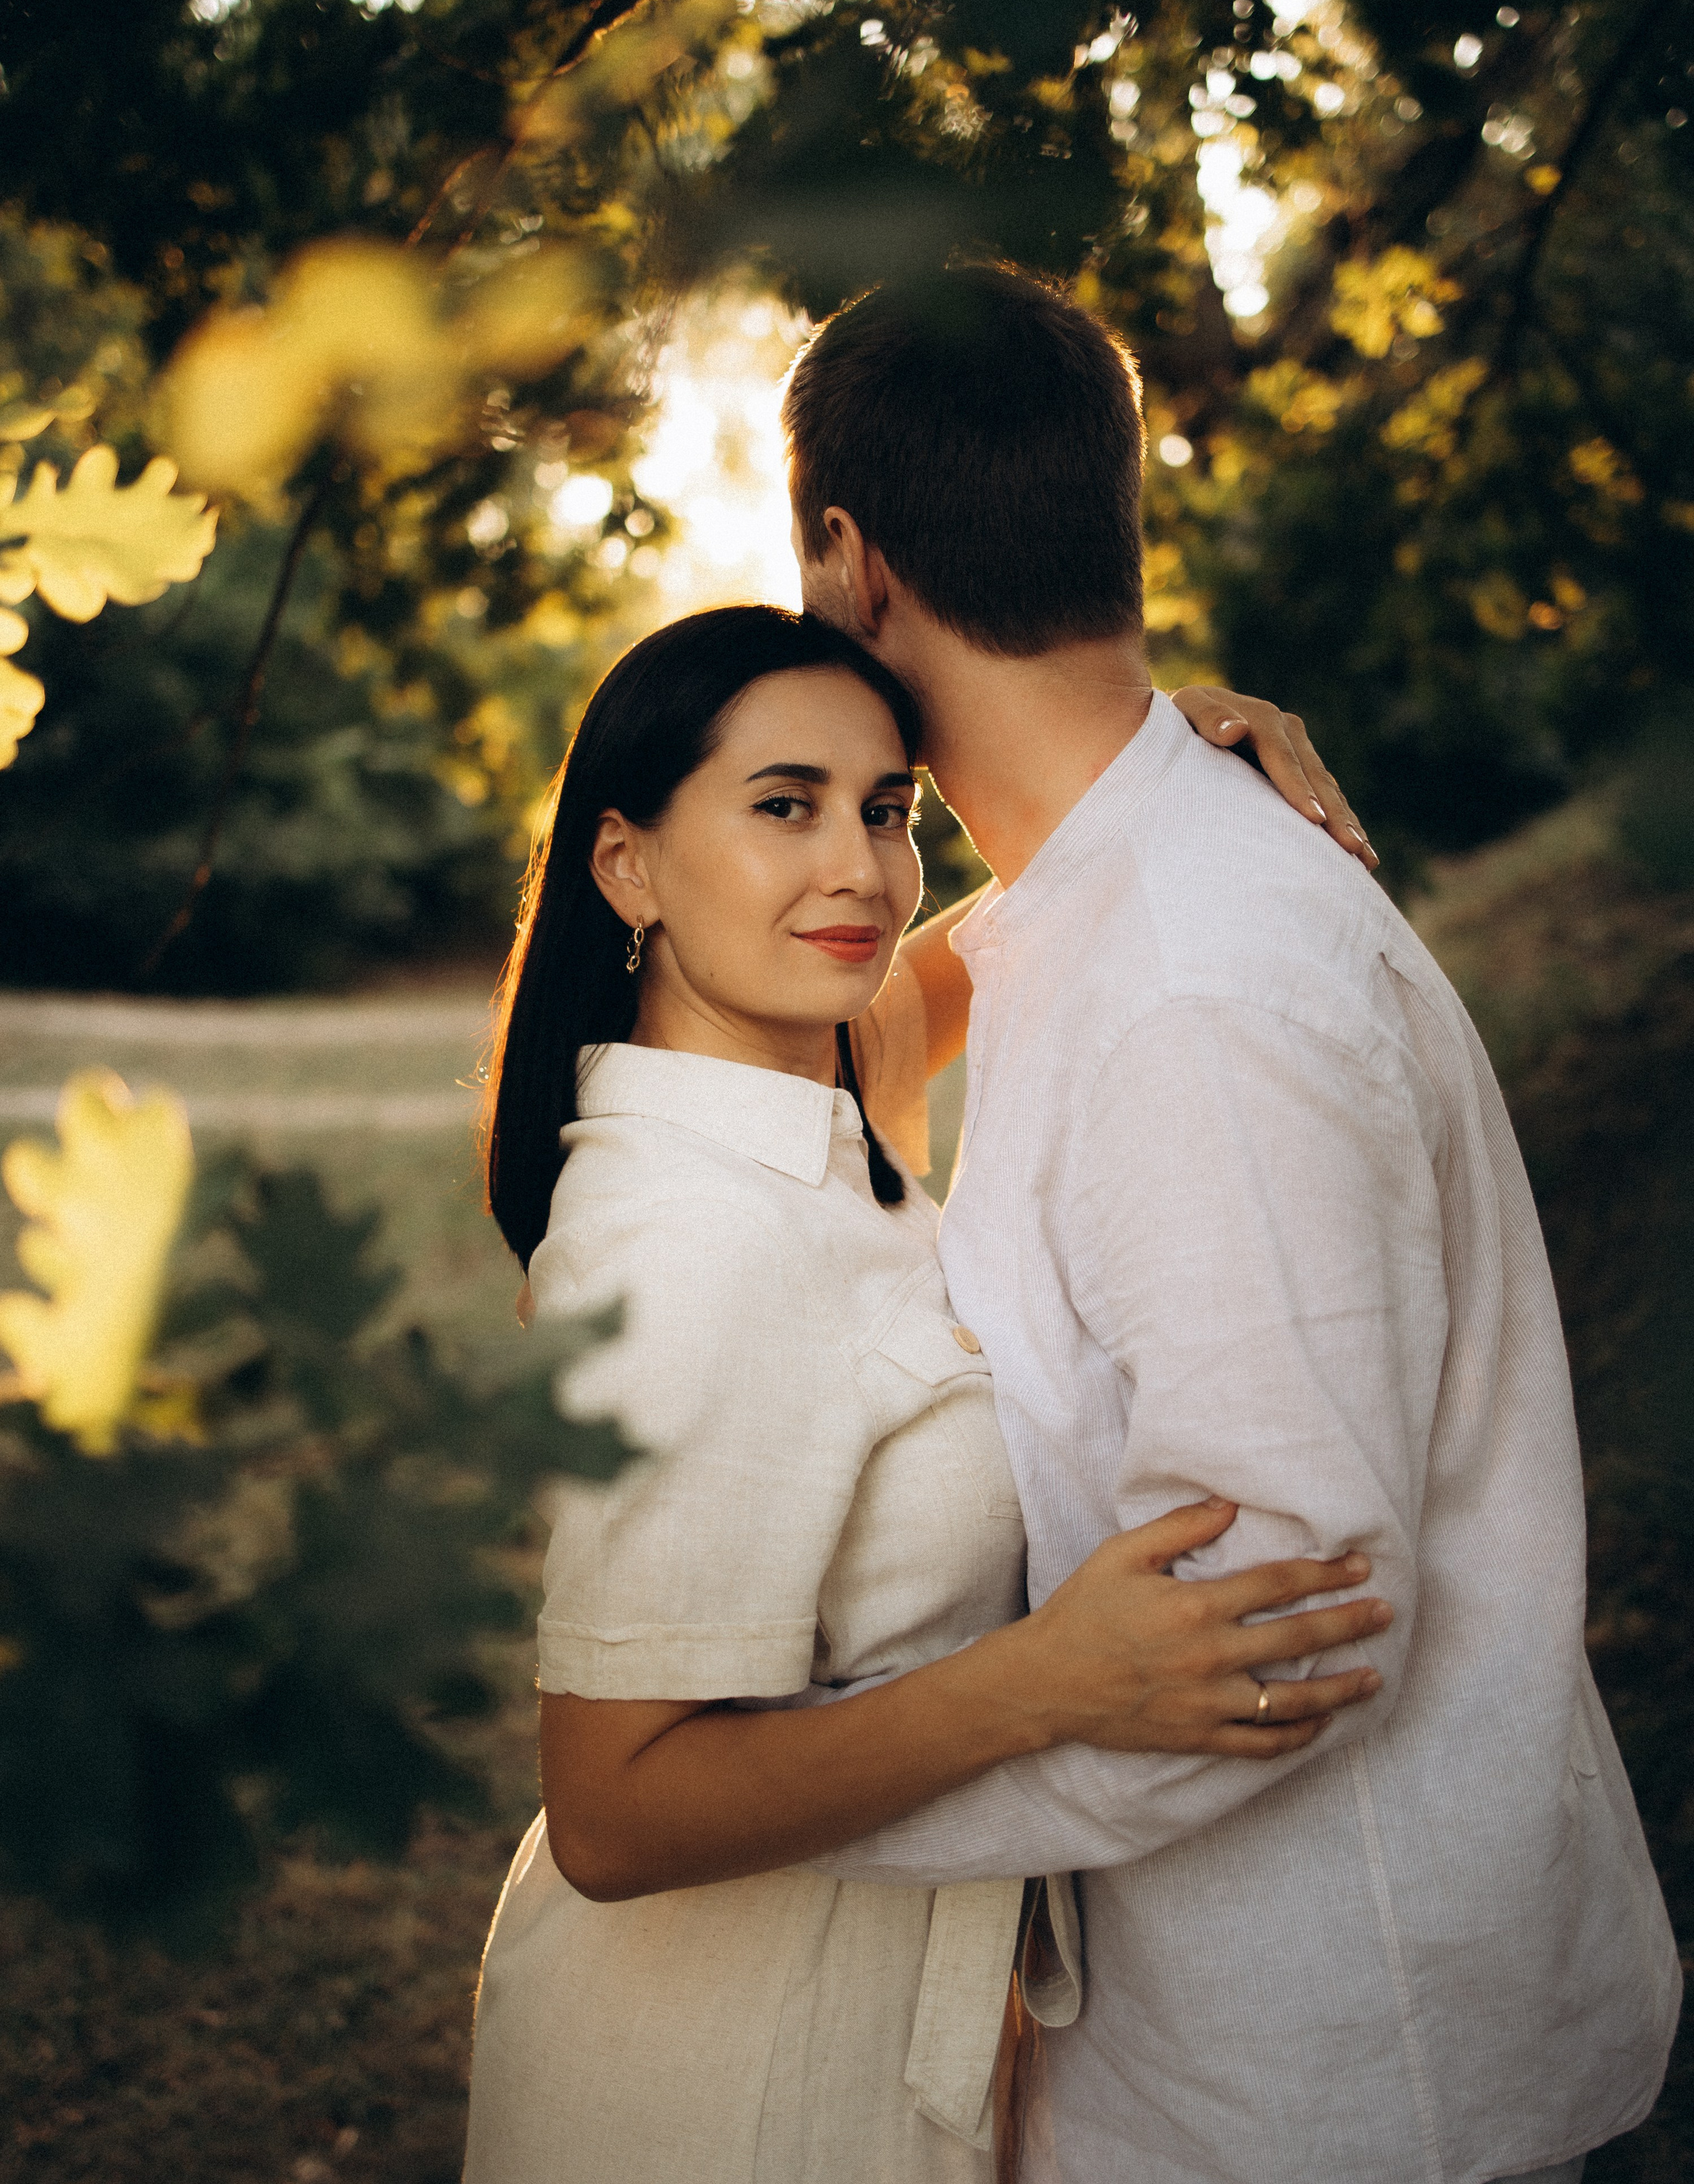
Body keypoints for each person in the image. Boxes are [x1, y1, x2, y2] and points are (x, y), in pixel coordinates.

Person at [781, 263, 1681, 2184]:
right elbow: (839, 1049)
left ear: (854, 560)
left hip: (1346, 2075)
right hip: (1251, 2048)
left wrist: (790, 1795)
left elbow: (1288, 1623)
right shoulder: (1119, 903)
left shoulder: (1195, 979)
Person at [461, 604, 1394, 2184]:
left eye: (885, 809)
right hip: (712, 2097)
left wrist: (1153, 764)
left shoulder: (813, 1089)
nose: (861, 870)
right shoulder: (678, 1239)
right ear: (625, 865)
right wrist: (1052, 1681)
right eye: (782, 806)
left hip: (871, 2061)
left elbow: (964, 948)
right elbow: (612, 1810)